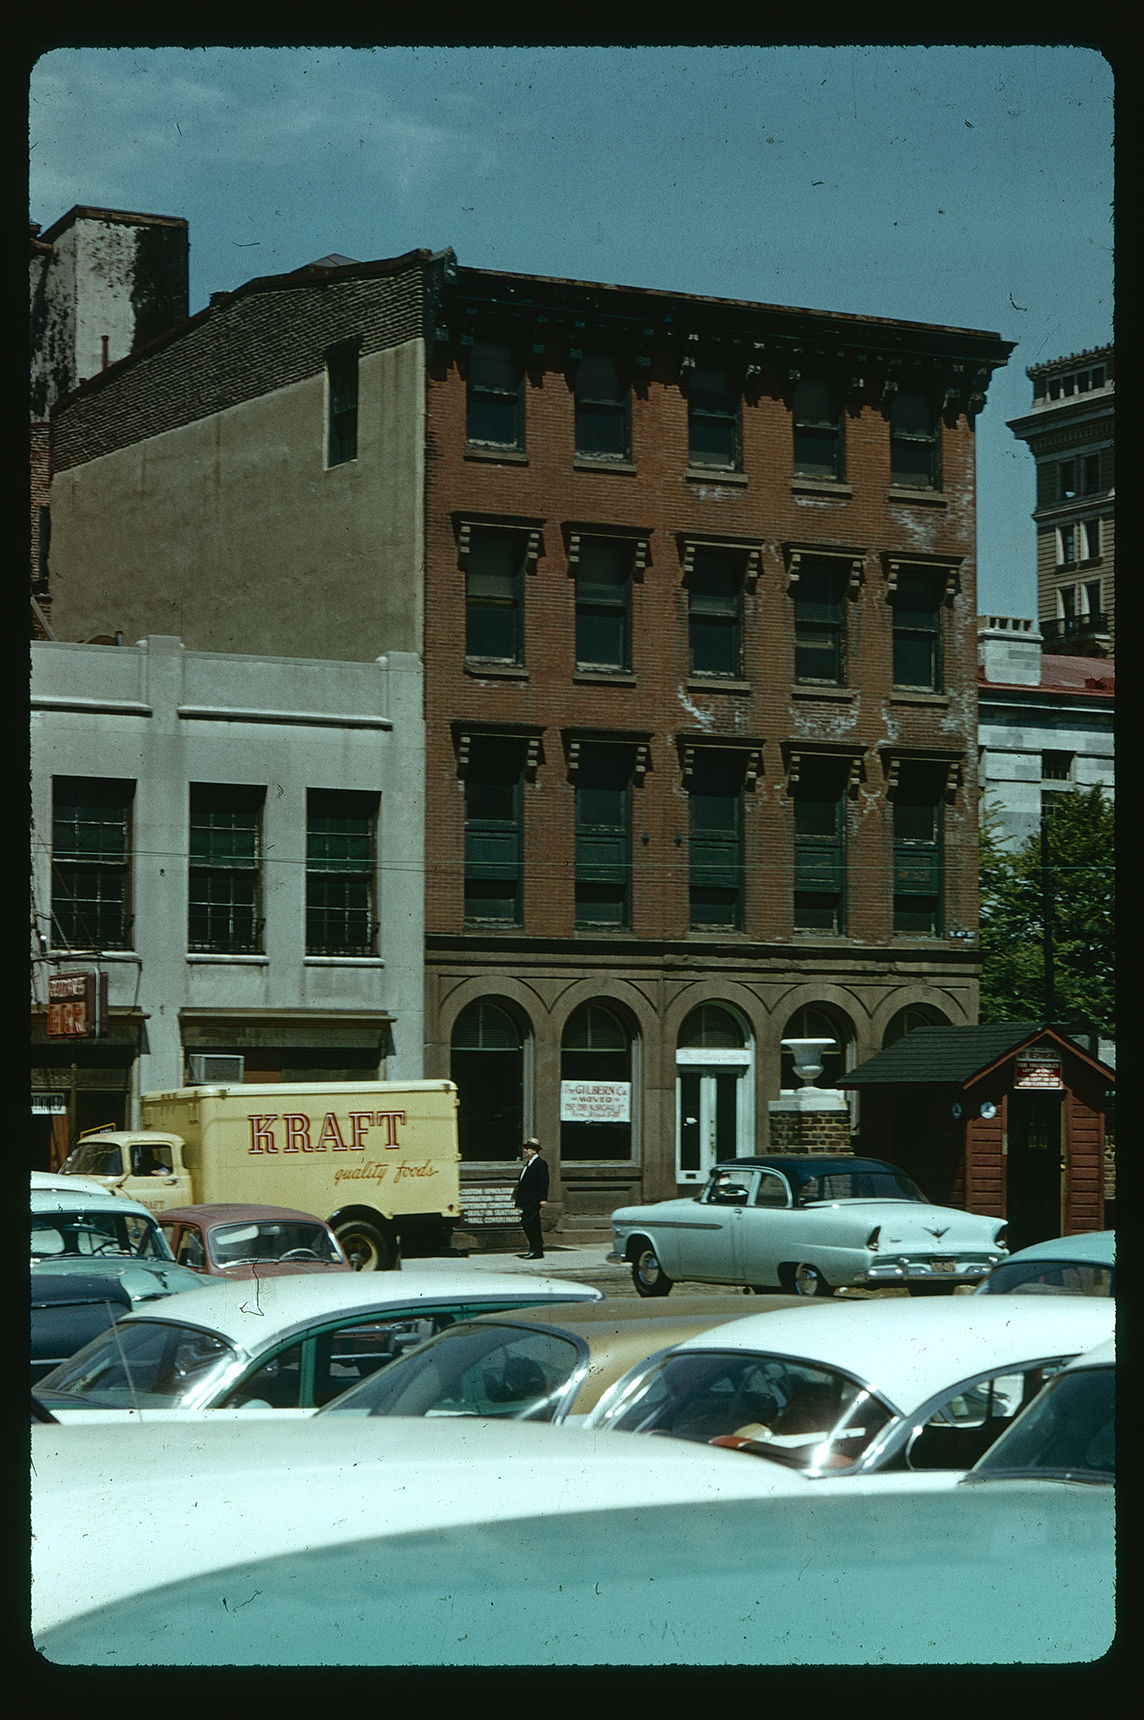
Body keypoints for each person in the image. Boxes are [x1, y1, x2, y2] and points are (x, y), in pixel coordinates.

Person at [513, 1138, 549, 1260]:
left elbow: (544, 1182)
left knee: (530, 1223)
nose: (525, 1151)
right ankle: (535, 1249)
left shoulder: (540, 1163)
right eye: (525, 1148)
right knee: (529, 1223)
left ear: (535, 1150)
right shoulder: (529, 1163)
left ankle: (536, 1249)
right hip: (526, 1199)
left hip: (533, 1199)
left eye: (528, 1148)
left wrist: (543, 1198)